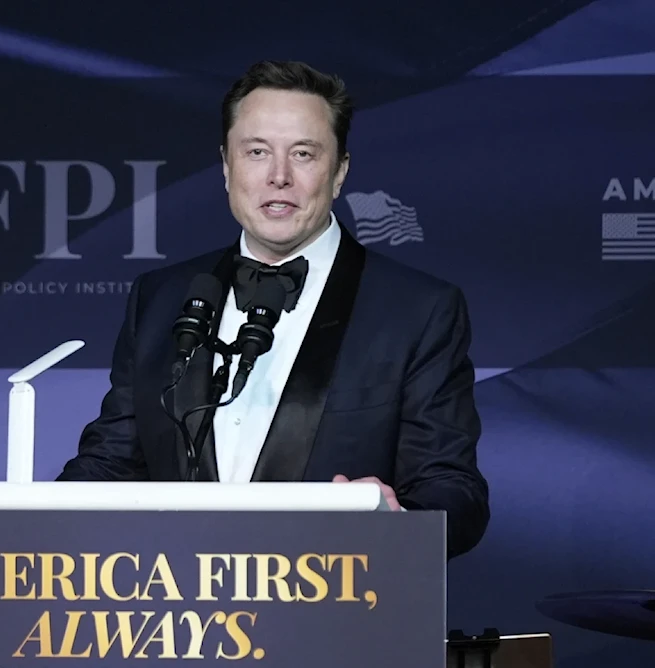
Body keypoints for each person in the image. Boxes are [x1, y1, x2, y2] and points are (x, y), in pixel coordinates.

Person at [57, 60, 489, 559]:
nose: (278, 176)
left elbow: (455, 492)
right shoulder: (160, 297)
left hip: (337, 612)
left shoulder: (418, 309)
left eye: (303, 154)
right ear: (226, 165)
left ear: (340, 172)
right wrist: (20, 528)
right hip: (176, 616)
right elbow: (110, 463)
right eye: (257, 152)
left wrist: (397, 525)